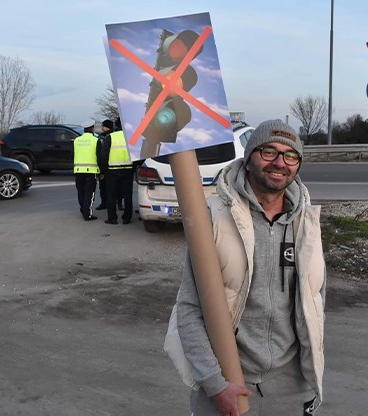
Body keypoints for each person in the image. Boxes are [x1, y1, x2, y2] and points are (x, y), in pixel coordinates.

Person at [165, 119, 326, 415]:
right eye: (268, 152)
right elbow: (189, 309)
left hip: (292, 389)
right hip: (228, 384)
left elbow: (315, 302)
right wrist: (215, 384)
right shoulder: (214, 219)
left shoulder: (307, 224)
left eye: (291, 155)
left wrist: (311, 380)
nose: (280, 163)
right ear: (249, 159)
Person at [101, 118, 134, 224]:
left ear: (116, 125)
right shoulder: (131, 137)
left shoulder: (110, 137)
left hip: (112, 171)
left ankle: (112, 218)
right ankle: (127, 218)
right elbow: (137, 153)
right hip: (128, 170)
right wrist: (134, 167)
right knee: (127, 195)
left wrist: (104, 170)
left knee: (111, 195)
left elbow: (104, 155)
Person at [73, 121, 100, 221]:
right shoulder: (95, 140)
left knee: (81, 192)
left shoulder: (76, 140)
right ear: (92, 128)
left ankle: (83, 209)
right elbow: (99, 156)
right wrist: (101, 171)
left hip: (78, 170)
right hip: (91, 171)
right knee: (89, 193)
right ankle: (87, 213)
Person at [95, 120, 114, 211]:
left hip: (111, 164)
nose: (102, 128)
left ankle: (112, 203)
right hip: (104, 165)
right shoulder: (101, 136)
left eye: (103, 126)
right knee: (103, 186)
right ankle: (104, 203)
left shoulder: (112, 136)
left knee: (111, 187)